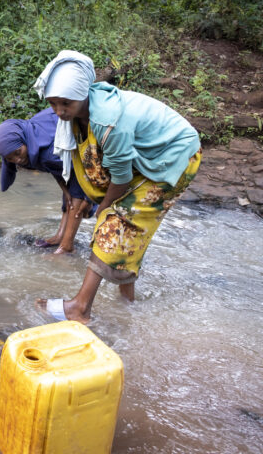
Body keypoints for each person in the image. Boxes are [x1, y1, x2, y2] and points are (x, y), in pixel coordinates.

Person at [33, 50, 201, 323]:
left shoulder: (107, 121)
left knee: (116, 224)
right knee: (124, 227)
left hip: (174, 156)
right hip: (146, 156)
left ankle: (80, 307)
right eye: (53, 104)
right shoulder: (80, 115)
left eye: (66, 103)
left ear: (83, 94)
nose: (59, 111)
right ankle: (126, 303)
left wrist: (104, 206)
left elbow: (120, 178)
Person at [0, 108, 95, 254]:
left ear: (23, 140)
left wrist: (88, 199)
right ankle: (60, 236)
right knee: (68, 198)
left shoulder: (48, 152)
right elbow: (56, 169)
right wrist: (65, 190)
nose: (17, 160)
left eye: (18, 153)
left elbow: (86, 168)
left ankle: (67, 246)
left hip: (87, 157)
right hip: (70, 160)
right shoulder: (32, 144)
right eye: (10, 158)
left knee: (77, 199)